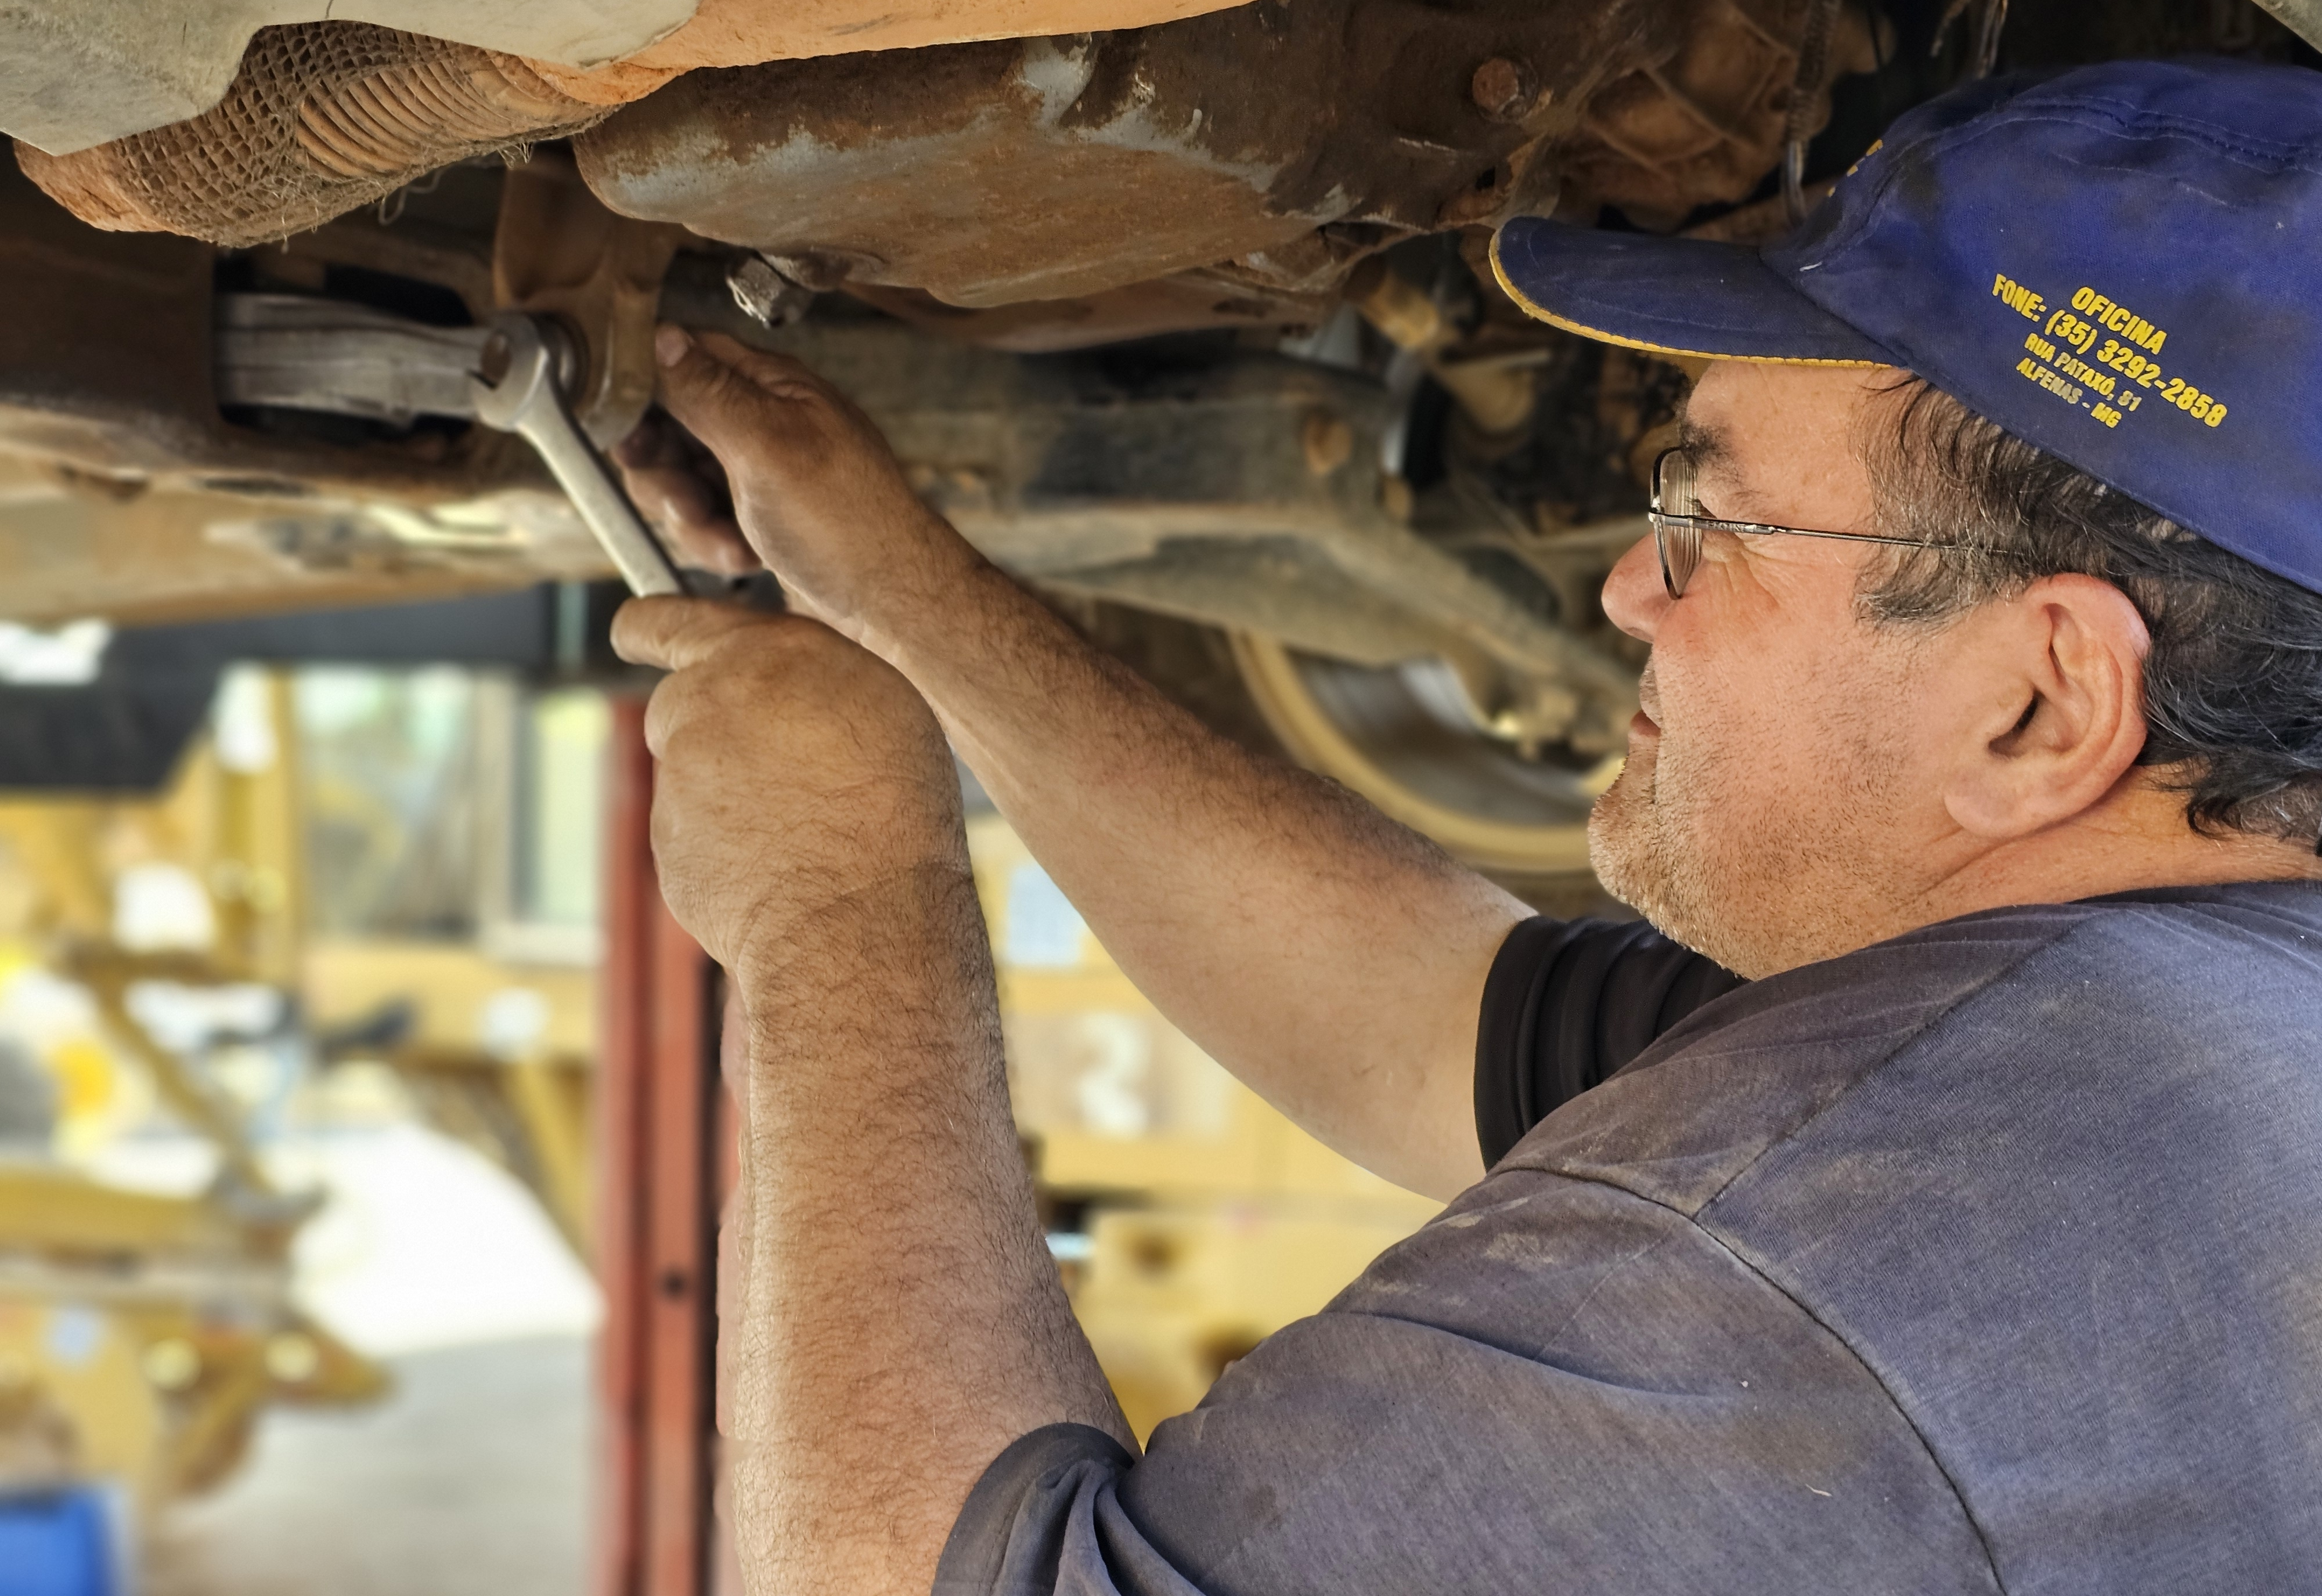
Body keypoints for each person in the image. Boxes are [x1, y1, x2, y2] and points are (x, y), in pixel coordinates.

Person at [608, 56, 2322, 1596]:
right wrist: (901, 594)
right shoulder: (2197, 1038)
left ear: (2043, 704)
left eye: (1706, 521)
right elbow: (1418, 1018)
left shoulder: (1853, 1240)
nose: (1626, 590)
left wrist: (835, 897)